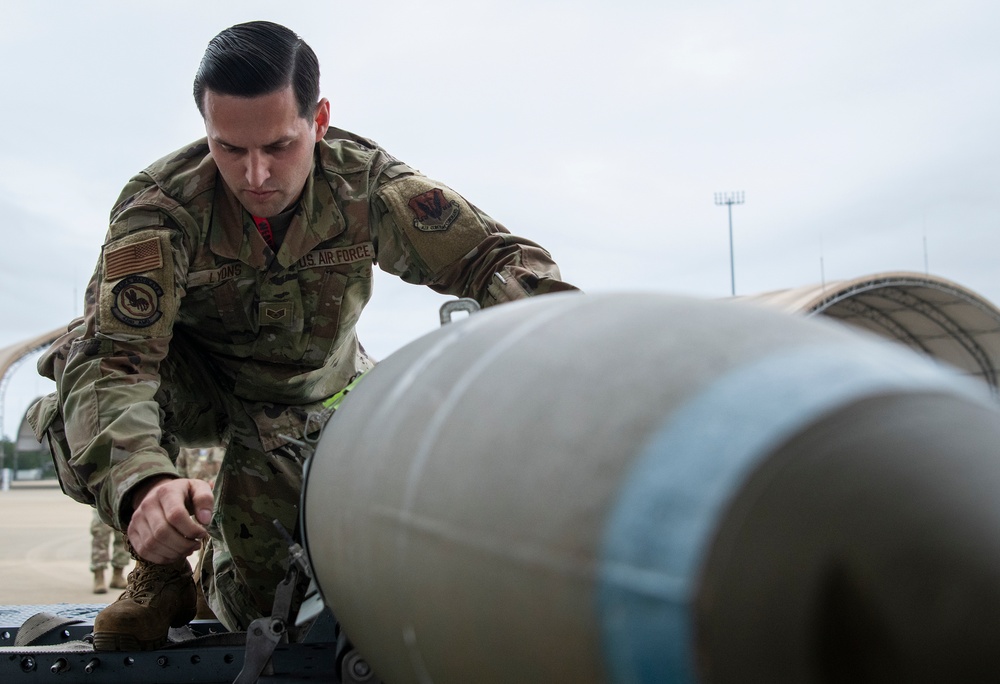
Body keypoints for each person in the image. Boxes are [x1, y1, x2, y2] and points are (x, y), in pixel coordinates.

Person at [28, 20, 577, 652]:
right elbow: (116, 362)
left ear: (318, 121)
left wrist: (577, 341)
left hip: (313, 395)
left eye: (279, 146)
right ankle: (159, 570)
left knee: (272, 616)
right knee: (78, 373)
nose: (255, 174)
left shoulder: (365, 186)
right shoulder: (162, 210)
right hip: (200, 382)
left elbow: (491, 258)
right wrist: (142, 488)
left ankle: (213, 575)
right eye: (229, 149)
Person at [90, 508, 129, 594]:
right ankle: (99, 577)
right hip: (101, 501)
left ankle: (118, 575)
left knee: (123, 535)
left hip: (122, 500)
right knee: (100, 535)